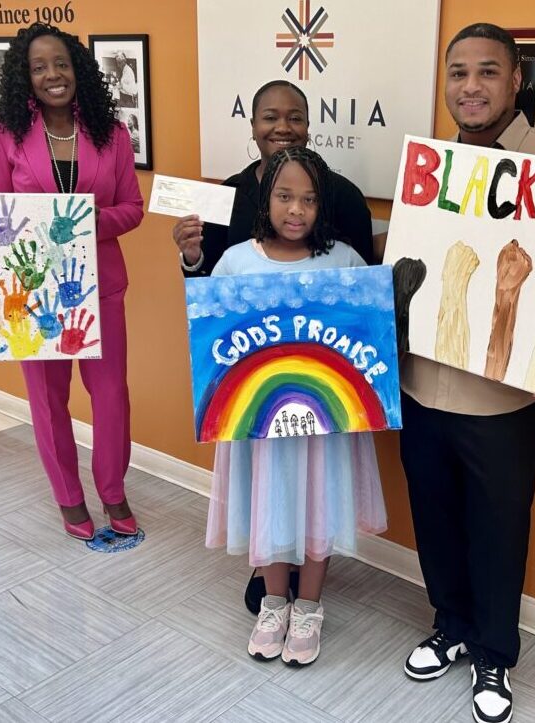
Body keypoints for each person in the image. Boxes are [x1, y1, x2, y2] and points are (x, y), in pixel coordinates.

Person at [399, 23, 535, 723]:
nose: (470, 86)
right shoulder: (426, 167)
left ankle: (493, 653)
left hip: (503, 399)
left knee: (499, 527)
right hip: (423, 382)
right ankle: (450, 622)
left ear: (517, 81)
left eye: (487, 72)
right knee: (435, 515)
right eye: (458, 72)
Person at [205, 145, 387, 666]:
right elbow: (213, 338)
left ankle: (309, 606)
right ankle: (274, 602)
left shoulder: (345, 261)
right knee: (270, 504)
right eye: (285, 196)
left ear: (321, 206)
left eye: (309, 200)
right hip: (259, 427)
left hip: (322, 428)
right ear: (266, 199)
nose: (296, 210)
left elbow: (366, 334)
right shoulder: (236, 260)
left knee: (317, 505)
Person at [0, 22, 143, 541]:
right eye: (38, 67)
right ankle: (69, 499)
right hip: (34, 290)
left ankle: (112, 489)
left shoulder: (112, 133)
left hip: (102, 285)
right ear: (24, 78)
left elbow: (132, 209)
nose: (53, 75)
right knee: (47, 397)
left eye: (61, 64)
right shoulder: (6, 135)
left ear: (78, 70)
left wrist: (89, 223)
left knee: (110, 395)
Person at [172, 79, 374, 281]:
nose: (283, 128)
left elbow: (363, 280)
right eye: (270, 118)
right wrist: (192, 258)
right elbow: (211, 287)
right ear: (253, 126)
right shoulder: (228, 193)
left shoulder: (345, 195)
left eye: (295, 118)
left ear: (307, 126)